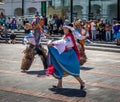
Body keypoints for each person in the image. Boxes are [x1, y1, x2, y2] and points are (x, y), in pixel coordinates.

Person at [46, 25, 85, 89]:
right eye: (63, 28)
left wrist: (53, 43)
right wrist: (53, 41)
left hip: (70, 55)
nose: (63, 29)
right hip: (66, 54)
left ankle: (82, 82)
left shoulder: (70, 36)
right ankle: (59, 84)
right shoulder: (66, 36)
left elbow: (64, 43)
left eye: (65, 28)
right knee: (59, 66)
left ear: (68, 29)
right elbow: (61, 42)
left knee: (73, 70)